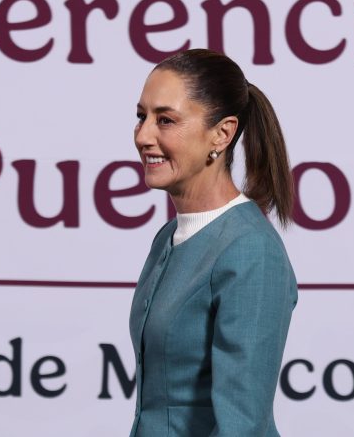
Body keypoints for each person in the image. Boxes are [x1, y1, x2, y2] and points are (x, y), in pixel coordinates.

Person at [129, 49, 298, 437]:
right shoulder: (167, 237)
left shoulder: (250, 251)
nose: (143, 136)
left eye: (165, 120)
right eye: (141, 117)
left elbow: (242, 425)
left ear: (222, 133)